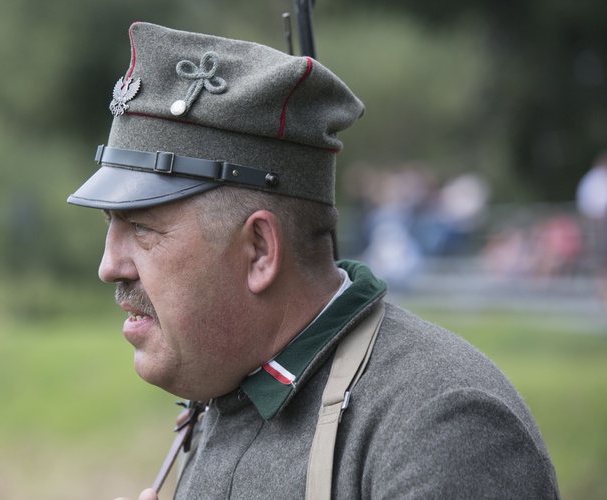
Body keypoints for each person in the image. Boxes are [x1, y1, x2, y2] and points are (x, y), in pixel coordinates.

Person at [68, 22, 559, 499]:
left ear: (260, 250)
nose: (110, 265)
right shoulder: (227, 388)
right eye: (111, 225)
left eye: (143, 228)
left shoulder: (441, 429)